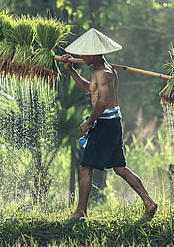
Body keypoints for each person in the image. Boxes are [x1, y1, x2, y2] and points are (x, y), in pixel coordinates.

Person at [59, 28, 158, 219]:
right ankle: (149, 202)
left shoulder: (103, 73)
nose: (81, 56)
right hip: (112, 122)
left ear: (93, 54)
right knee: (119, 167)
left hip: (105, 124)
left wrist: (89, 122)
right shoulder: (104, 70)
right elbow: (89, 89)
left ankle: (80, 211)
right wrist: (70, 70)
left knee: (85, 166)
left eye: (84, 53)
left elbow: (102, 103)